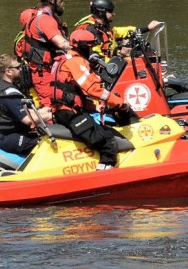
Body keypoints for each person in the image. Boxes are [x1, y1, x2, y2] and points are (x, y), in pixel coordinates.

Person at [51, 29, 131, 170]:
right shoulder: (75, 62)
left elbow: (74, 91)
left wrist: (93, 108)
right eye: (89, 47)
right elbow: (93, 89)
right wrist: (120, 102)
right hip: (71, 114)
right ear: (82, 46)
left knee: (103, 129)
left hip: (63, 111)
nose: (91, 49)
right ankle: (105, 172)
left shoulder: (62, 60)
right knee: (107, 140)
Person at [0, 54, 52, 155]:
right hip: (3, 137)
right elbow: (27, 120)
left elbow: (19, 109)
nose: (21, 69)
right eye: (18, 67)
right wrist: (50, 116)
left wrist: (43, 111)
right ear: (8, 71)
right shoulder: (8, 93)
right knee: (45, 143)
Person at [18, 0, 72, 106]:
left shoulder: (49, 18)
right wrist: (80, 46)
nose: (62, 1)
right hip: (43, 72)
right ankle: (48, 125)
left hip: (50, 69)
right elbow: (62, 44)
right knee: (50, 104)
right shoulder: (45, 20)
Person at [74, 0, 162, 61]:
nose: (113, 14)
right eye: (110, 11)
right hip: (103, 69)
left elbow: (122, 31)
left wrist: (147, 28)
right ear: (101, 13)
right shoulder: (91, 31)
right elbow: (96, 57)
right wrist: (121, 61)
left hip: (111, 62)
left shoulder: (103, 27)